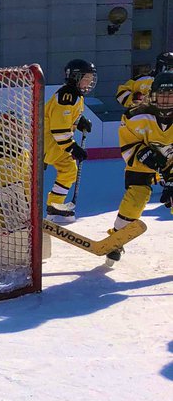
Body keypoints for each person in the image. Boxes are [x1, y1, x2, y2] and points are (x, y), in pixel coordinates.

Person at [106, 63, 173, 262]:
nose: (167, 100)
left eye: (171, 95)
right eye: (162, 95)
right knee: (137, 196)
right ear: (152, 95)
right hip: (141, 161)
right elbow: (128, 145)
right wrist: (147, 156)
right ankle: (116, 239)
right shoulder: (135, 115)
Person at [43, 58, 96, 218]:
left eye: (91, 79)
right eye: (87, 78)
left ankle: (54, 205)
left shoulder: (75, 95)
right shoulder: (67, 96)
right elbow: (58, 128)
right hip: (45, 144)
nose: (90, 82)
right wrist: (73, 148)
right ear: (76, 77)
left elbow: (66, 119)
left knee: (69, 170)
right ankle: (24, 214)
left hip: (56, 146)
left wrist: (79, 121)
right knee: (29, 183)